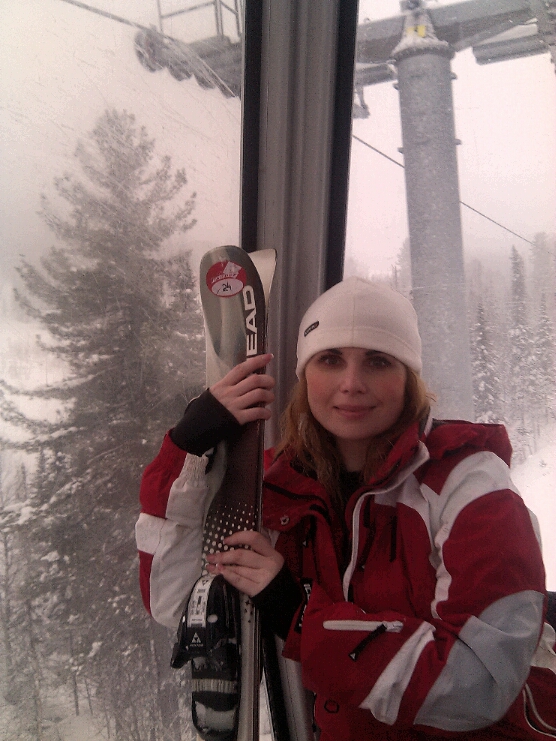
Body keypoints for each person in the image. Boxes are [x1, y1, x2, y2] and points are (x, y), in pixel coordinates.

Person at [136, 277, 556, 740]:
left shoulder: (470, 485)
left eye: (378, 361)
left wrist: (300, 617)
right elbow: (177, 603)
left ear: (408, 378)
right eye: (330, 359)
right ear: (305, 376)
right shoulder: (277, 489)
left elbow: (481, 683)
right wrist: (185, 448)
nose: (351, 384)